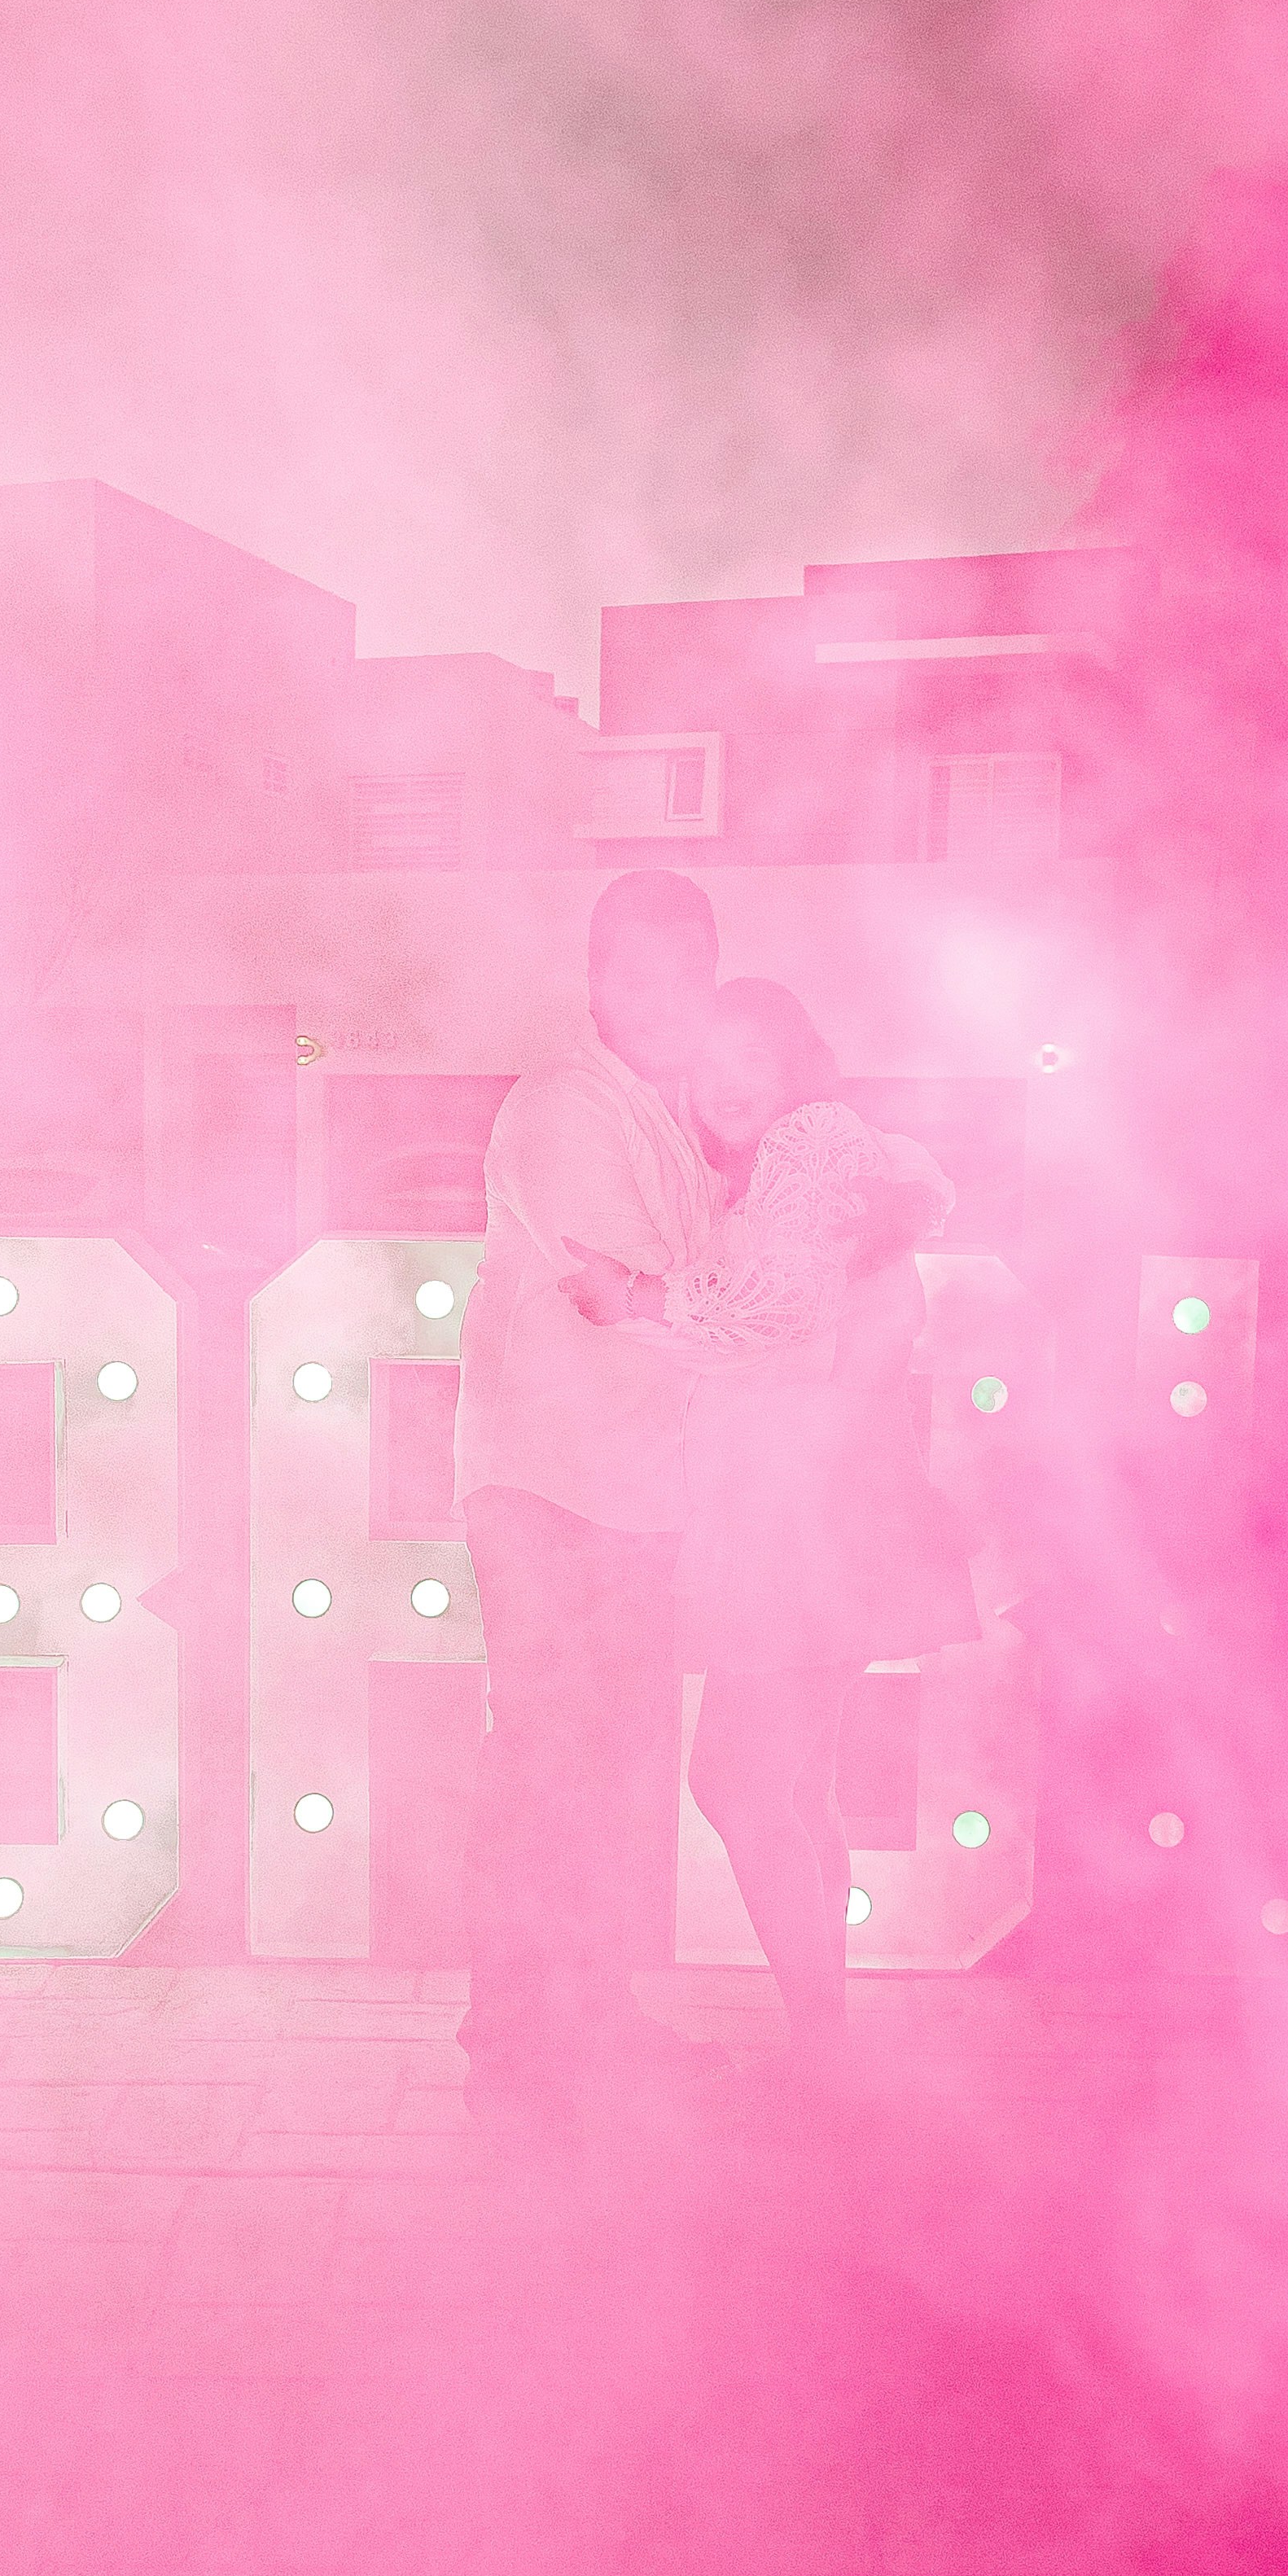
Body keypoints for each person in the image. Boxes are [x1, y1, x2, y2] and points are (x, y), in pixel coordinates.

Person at [563, 976, 972, 2072]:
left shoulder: (816, 1165)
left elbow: (781, 1343)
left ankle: (822, 2043)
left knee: (740, 1783)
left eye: (756, 1060)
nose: (728, 1083)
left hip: (813, 1527)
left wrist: (636, 1306)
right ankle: (823, 2037)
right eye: (710, 1061)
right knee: (789, 1784)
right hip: (807, 1520)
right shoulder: (783, 1185)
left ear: (797, 1074)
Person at [453, 869, 723, 2108]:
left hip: (633, 1494)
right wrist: (754, 1321)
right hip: (552, 1492)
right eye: (640, 970)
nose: (664, 994)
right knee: (552, 1758)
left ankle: (588, 2012)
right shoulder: (566, 1108)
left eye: (686, 971)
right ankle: (518, 2028)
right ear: (600, 981)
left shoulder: (665, 1120)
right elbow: (617, 1296)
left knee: (609, 1764)